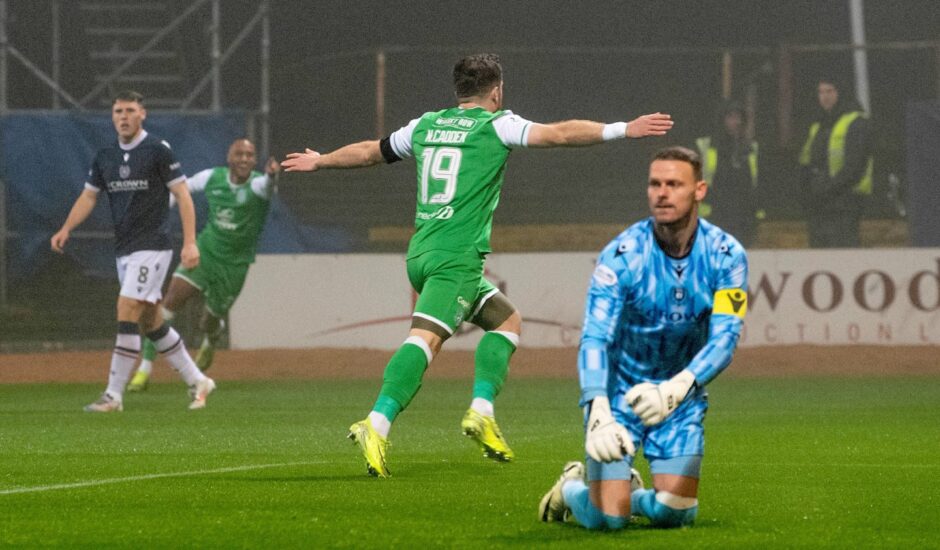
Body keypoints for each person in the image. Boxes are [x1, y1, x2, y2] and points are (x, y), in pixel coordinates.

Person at [282, 53, 673, 478]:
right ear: (496, 90)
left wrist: (320, 160)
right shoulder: (497, 124)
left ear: (458, 90)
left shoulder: (426, 125)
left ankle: (482, 410)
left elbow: (368, 153)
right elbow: (559, 134)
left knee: (507, 321)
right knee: (426, 340)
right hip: (457, 257)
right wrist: (623, 129)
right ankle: (376, 422)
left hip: (422, 251)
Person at [538, 146, 747, 530]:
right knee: (608, 521)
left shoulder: (727, 255)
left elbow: (725, 339)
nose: (662, 193)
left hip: (680, 398)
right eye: (655, 184)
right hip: (618, 395)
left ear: (699, 190)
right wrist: (597, 407)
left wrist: (676, 389)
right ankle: (571, 487)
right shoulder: (621, 255)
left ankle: (629, 493)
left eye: (673, 184)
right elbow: (595, 338)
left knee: (675, 513)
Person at [50, 90, 215, 412]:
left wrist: (190, 241)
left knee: (126, 309)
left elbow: (182, 195)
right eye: (117, 111)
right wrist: (66, 228)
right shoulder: (106, 156)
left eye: (129, 110)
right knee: (150, 322)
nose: (123, 117)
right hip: (124, 250)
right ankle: (198, 380)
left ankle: (113, 395)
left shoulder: (157, 150)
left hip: (152, 247)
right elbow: (88, 196)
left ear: (143, 114)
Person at [127, 138, 281, 391]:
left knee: (208, 321)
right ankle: (144, 369)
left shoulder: (258, 185)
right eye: (239, 154)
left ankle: (212, 336)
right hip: (205, 251)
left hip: (234, 265)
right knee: (166, 306)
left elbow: (268, 184)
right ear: (229, 158)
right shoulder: (212, 177)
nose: (244, 158)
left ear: (255, 161)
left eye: (249, 155)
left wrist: (273, 176)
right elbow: (181, 189)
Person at [798, 77, 873, 248]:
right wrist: (807, 193)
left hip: (845, 203)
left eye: (829, 91)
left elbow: (855, 166)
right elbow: (807, 162)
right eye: (821, 92)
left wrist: (828, 189)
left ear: (840, 92)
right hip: (819, 204)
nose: (824, 96)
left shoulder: (856, 122)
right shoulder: (818, 125)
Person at [695, 100, 761, 247]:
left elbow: (755, 183)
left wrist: (755, 214)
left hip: (743, 219)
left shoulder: (751, 148)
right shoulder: (706, 146)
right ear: (722, 120)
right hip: (713, 216)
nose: (736, 122)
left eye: (739, 118)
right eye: (731, 117)